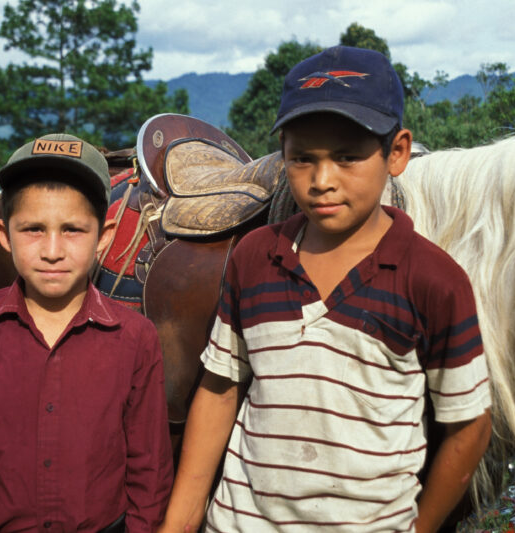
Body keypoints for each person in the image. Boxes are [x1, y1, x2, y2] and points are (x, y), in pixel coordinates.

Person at [160, 46, 492, 533]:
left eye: (347, 157)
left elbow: (468, 424)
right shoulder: (255, 257)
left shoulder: (434, 282)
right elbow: (219, 388)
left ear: (396, 152)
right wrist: (180, 522)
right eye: (302, 159)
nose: (321, 181)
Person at [0, 133, 173, 532]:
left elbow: (149, 472)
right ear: (2, 235)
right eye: (32, 229)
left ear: (105, 236)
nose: (51, 250)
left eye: (73, 230)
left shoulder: (136, 337)